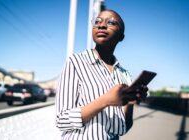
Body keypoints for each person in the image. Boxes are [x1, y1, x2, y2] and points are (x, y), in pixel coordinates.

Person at [56, 9, 148, 140]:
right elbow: (61, 120)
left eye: (111, 22)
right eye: (97, 21)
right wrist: (105, 101)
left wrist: (130, 102)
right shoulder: (75, 62)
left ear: (121, 37)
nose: (102, 25)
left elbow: (122, 129)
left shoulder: (124, 74)